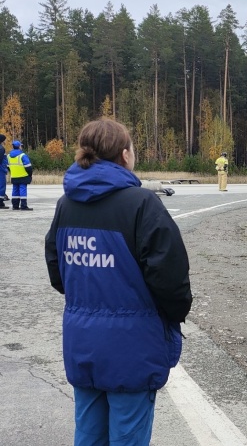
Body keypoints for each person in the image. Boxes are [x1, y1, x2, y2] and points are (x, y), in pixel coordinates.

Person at [44, 118, 193, 446]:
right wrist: (173, 315)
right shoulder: (141, 204)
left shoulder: (66, 205)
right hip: (132, 348)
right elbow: (170, 279)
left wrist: (89, 297)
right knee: (128, 436)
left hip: (82, 342)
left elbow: (57, 271)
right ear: (125, 155)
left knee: (88, 435)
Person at [8, 140, 32, 210]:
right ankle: (23, 206)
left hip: (14, 176)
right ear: (19, 147)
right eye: (21, 146)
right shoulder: (22, 155)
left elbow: (7, 166)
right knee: (23, 190)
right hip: (23, 175)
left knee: (15, 190)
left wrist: (12, 172)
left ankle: (15, 206)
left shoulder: (9, 156)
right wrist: (30, 174)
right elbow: (28, 167)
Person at [0, 134, 8, 208]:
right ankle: (0, 202)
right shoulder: (1, 148)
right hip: (1, 169)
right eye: (4, 140)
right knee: (2, 186)